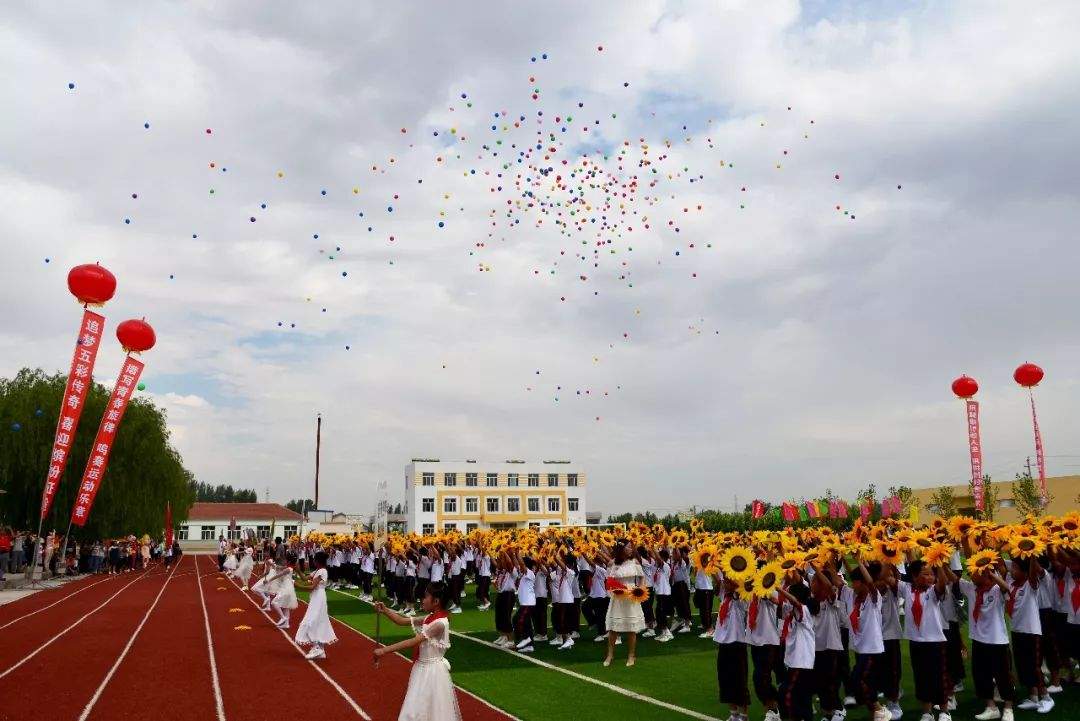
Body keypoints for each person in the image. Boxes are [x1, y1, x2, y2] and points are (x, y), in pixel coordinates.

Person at [374, 581, 462, 721]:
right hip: (421, 668)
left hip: (432, 671)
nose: (422, 599)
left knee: (424, 710)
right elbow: (401, 621)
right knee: (417, 709)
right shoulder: (429, 617)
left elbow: (412, 642)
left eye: (426, 596)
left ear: (436, 601)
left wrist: (384, 650)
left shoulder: (440, 623)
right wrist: (385, 611)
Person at [957, 561, 1015, 721]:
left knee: (1003, 675)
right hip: (978, 639)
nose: (971, 575)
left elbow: (1007, 588)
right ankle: (991, 706)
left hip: (997, 641)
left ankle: (1009, 708)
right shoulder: (972, 589)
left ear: (983, 574)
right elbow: (953, 579)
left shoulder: (996, 590)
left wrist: (990, 574)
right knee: (981, 674)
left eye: (974, 572)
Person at [603, 542, 646, 667]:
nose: (630, 549)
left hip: (631, 595)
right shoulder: (612, 563)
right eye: (627, 547)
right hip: (618, 596)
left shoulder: (635, 562)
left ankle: (631, 655)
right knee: (613, 628)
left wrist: (640, 589)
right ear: (621, 549)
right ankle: (610, 655)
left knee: (631, 629)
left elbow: (642, 577)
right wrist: (613, 589)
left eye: (631, 547)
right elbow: (609, 580)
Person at [713, 574, 750, 721]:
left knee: (739, 679)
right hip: (724, 643)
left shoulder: (741, 597)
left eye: (727, 582)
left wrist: (734, 582)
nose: (724, 583)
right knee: (725, 678)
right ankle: (733, 713)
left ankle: (743, 715)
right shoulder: (725, 596)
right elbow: (717, 578)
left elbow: (738, 588)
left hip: (737, 643)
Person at [295, 551, 337, 659]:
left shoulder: (322, 571)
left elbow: (312, 587)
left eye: (314, 559)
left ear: (318, 561)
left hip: (318, 597)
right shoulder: (318, 570)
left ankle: (317, 647)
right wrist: (298, 570)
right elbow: (305, 578)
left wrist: (297, 586)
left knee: (311, 620)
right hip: (316, 597)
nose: (313, 561)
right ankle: (321, 650)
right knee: (318, 620)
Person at [268, 563, 298, 628]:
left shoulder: (288, 569)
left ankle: (283, 617)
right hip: (289, 588)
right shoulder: (289, 568)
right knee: (286, 606)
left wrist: (269, 580)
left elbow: (278, 575)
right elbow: (279, 567)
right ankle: (286, 624)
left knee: (274, 602)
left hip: (286, 588)